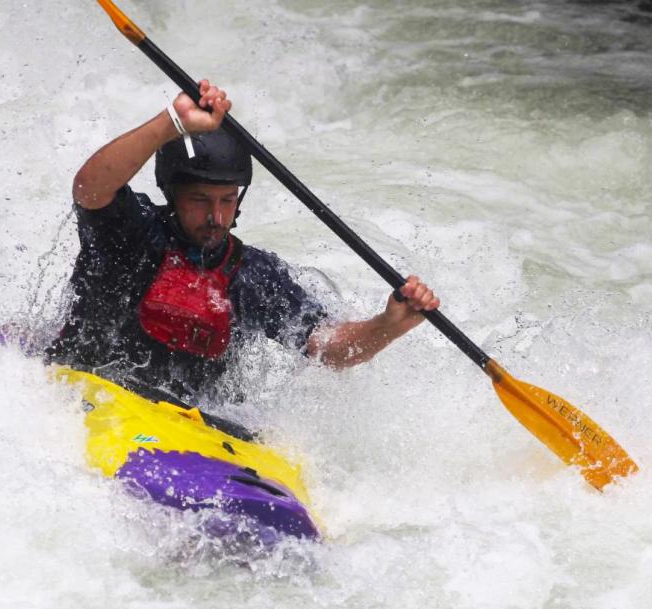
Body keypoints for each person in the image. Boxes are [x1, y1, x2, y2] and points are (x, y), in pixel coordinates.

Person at [44, 79, 440, 405]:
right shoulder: (132, 233)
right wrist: (171, 124)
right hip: (84, 384)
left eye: (227, 200)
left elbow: (328, 349)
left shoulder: (252, 276)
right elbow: (90, 187)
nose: (216, 217)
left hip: (186, 423)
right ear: (172, 192)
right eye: (200, 201)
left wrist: (387, 325)